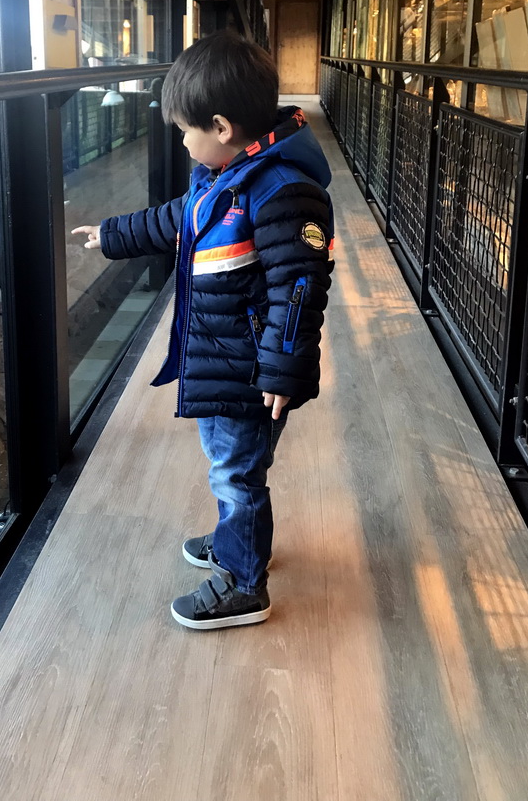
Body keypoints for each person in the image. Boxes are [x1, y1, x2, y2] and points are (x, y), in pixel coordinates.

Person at [72, 31, 333, 630]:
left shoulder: (280, 190)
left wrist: (282, 367)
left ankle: (245, 584)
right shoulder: (227, 174)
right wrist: (112, 235)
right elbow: (176, 221)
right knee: (231, 463)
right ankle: (237, 538)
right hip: (223, 355)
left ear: (220, 126)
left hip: (250, 369)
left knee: (236, 471)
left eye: (185, 131)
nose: (182, 143)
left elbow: (299, 287)